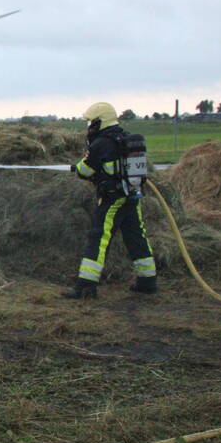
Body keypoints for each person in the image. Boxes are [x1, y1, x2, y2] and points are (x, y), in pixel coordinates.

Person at [63, 102, 156, 299]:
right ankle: (147, 281)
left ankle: (86, 285)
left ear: (99, 122)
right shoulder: (125, 137)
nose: (89, 127)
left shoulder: (101, 143)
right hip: (132, 196)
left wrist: (76, 167)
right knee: (136, 235)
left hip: (113, 198)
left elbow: (85, 170)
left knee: (99, 237)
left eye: (91, 122)